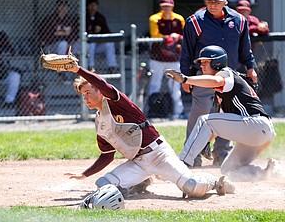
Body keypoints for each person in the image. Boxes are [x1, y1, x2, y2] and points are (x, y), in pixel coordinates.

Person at [62, 58, 235, 199]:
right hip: (137, 162)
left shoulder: (117, 102)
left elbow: (103, 84)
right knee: (103, 185)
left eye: (88, 92)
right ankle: (140, 182)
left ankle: (214, 182)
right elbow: (107, 155)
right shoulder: (100, 123)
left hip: (159, 155)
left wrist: (78, 70)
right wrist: (84, 174)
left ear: (99, 91)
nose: (85, 97)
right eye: (82, 94)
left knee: (191, 187)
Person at [165, 45, 276, 181]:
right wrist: (206, 143)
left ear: (217, 63)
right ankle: (268, 173)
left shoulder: (225, 73)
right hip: (259, 132)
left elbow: (217, 81)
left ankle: (181, 165)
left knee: (205, 120)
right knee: (229, 170)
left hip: (256, 125)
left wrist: (186, 79)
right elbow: (216, 128)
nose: (202, 66)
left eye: (206, 62)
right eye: (201, 63)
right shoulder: (222, 94)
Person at [180, 0, 258, 167]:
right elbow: (186, 51)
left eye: (216, 2)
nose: (212, 5)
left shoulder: (238, 20)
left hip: (229, 75)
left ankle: (222, 155)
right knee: (200, 112)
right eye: (208, 2)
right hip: (204, 74)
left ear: (225, 3)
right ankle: (193, 156)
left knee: (228, 114)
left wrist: (250, 67)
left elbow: (245, 48)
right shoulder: (195, 21)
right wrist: (186, 76)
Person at [147, 0, 185, 120]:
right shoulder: (155, 18)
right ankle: (152, 111)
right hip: (157, 57)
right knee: (155, 84)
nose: (166, 9)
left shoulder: (179, 19)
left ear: (172, 6)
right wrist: (170, 37)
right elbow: (155, 35)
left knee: (175, 86)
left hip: (174, 58)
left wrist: (177, 36)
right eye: (164, 6)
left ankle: (178, 112)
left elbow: (185, 35)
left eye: (168, 6)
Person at [72, 0, 118, 73]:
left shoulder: (100, 18)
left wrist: (100, 32)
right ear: (87, 6)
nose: (93, 7)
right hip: (83, 45)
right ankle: (91, 66)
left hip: (97, 46)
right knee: (91, 43)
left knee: (109, 44)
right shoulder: (82, 17)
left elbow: (108, 34)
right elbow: (77, 33)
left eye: (95, 5)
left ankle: (112, 67)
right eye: (91, 5)